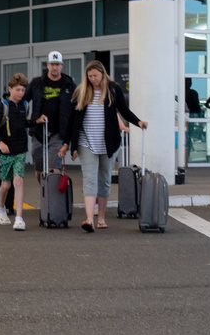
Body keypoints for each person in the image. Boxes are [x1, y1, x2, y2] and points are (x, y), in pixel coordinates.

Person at [61, 60, 147, 232]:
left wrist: (138, 122)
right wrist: (67, 144)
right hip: (86, 143)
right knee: (90, 180)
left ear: (103, 74)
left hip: (108, 143)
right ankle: (88, 219)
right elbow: (72, 120)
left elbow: (124, 110)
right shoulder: (81, 92)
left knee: (105, 181)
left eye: (95, 76)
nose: (92, 79)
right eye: (90, 76)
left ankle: (101, 217)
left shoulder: (113, 90)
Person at [27, 51, 77, 185]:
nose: (55, 67)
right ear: (47, 65)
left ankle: (52, 198)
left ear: (62, 66)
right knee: (39, 170)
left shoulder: (69, 84)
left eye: (58, 64)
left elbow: (77, 107)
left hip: (58, 133)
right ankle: (44, 192)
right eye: (52, 64)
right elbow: (23, 100)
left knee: (52, 169)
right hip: (38, 132)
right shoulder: (37, 83)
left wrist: (72, 138)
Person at [0, 73, 30, 231]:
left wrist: (35, 122)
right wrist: (0, 143)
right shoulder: (3, 106)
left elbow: (23, 123)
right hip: (6, 151)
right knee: (5, 185)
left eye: (23, 90)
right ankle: (0, 207)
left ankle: (19, 218)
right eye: (18, 89)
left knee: (18, 181)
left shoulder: (24, 105)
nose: (21, 93)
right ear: (10, 89)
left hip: (20, 149)